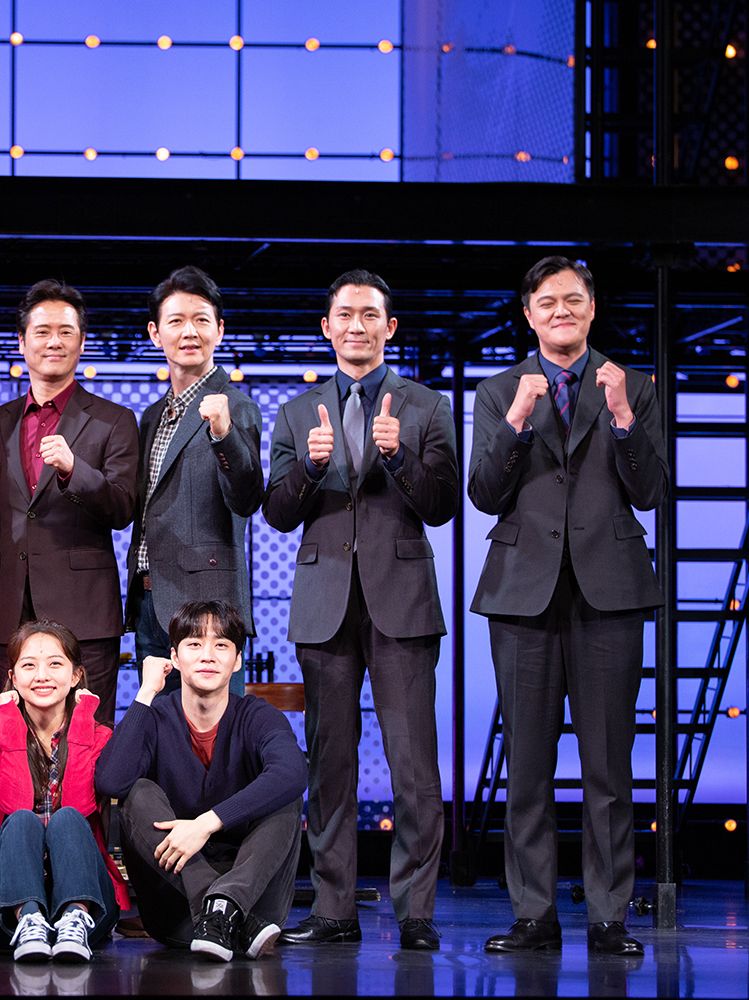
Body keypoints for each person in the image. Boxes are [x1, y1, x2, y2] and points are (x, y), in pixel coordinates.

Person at [469, 256, 667, 957]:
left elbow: (650, 491)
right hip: (523, 592)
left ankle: (610, 915)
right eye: (547, 302)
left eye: (574, 300)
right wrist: (517, 420)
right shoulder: (499, 390)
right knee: (527, 763)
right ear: (529, 314)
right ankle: (534, 914)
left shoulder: (631, 385)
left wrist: (622, 419)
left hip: (609, 590)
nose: (562, 311)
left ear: (591, 309)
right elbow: (484, 493)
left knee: (608, 763)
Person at [263, 269, 458, 951]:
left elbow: (443, 503)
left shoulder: (427, 406)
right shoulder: (297, 412)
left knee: (414, 765)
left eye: (370, 314)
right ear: (327, 327)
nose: (357, 325)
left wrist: (398, 456)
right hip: (325, 603)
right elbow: (277, 511)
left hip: (402, 600)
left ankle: (417, 912)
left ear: (389, 327)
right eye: (345, 314)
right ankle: (333, 908)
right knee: (329, 763)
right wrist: (311, 468)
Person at [95, 601, 307, 962]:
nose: (208, 655)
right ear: (174, 658)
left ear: (237, 661)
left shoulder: (258, 716)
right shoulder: (156, 717)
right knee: (137, 792)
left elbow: (293, 772)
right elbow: (111, 782)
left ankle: (228, 903)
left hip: (255, 900)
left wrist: (207, 823)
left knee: (284, 793)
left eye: (221, 645)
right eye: (194, 644)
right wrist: (145, 693)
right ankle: (219, 907)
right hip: (182, 913)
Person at [0, 280, 139, 725]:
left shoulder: (114, 420)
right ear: (22, 342)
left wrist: (73, 469)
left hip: (85, 610)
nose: (54, 342)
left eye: (66, 332)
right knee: (16, 738)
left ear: (81, 343)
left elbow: (123, 508)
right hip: (11, 609)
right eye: (42, 331)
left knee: (88, 737)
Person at [127, 266, 265, 698]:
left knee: (216, 732)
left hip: (208, 608)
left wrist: (223, 434)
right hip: (150, 601)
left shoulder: (236, 406)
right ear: (155, 333)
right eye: (176, 321)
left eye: (201, 320)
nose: (189, 331)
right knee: (159, 729)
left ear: (219, 330)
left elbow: (247, 499)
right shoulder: (151, 415)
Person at [0, 621, 127, 963]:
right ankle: (30, 919)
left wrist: (83, 718)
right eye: (29, 665)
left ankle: (73, 918)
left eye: (55, 664)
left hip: (88, 904)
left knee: (66, 817)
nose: (42, 675)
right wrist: (10, 720)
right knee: (22, 820)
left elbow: (79, 806)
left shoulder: (100, 737)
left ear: (76, 675)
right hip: (5, 908)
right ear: (13, 678)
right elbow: (14, 803)